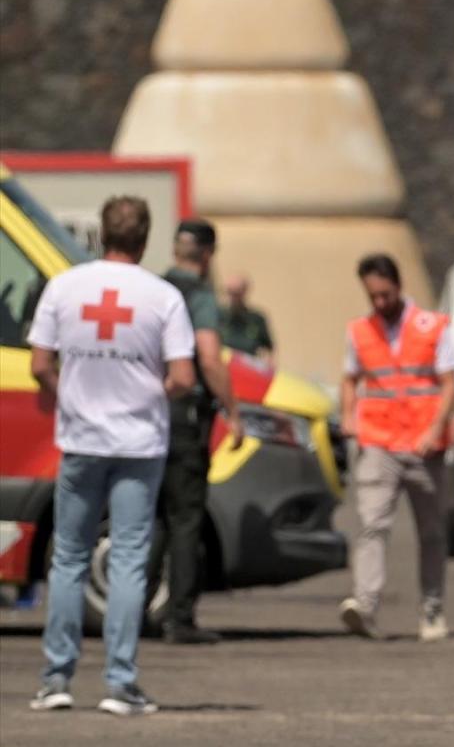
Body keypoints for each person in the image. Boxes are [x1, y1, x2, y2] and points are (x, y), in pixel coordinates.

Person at [26, 195, 196, 716]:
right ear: (144, 240)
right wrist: (147, 396)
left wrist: (69, 392)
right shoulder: (163, 296)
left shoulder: (64, 287)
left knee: (70, 558)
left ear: (100, 235)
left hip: (80, 440)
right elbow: (184, 378)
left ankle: (56, 679)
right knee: (127, 559)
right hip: (138, 443)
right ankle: (120, 683)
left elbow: (38, 365)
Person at [339, 253, 454, 642]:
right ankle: (365, 605)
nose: (379, 303)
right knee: (372, 525)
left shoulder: (434, 326)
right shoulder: (359, 330)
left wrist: (436, 430)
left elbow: (448, 386)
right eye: (372, 296)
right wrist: (348, 417)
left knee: (433, 531)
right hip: (378, 444)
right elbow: (349, 378)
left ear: (399, 285)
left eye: (385, 295)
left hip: (425, 447)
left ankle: (432, 608)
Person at [151, 219, 246, 645]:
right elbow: (208, 357)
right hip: (185, 421)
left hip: (146, 417)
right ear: (207, 254)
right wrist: (233, 411)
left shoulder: (153, 288)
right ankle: (181, 618)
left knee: (149, 519)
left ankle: (134, 610)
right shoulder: (199, 294)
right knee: (185, 519)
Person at [219, 271, 274, 366]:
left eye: (236, 293)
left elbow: (268, 350)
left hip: (247, 370)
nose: (233, 298)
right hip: (224, 368)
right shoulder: (218, 316)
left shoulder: (256, 319)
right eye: (230, 292)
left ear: (244, 292)